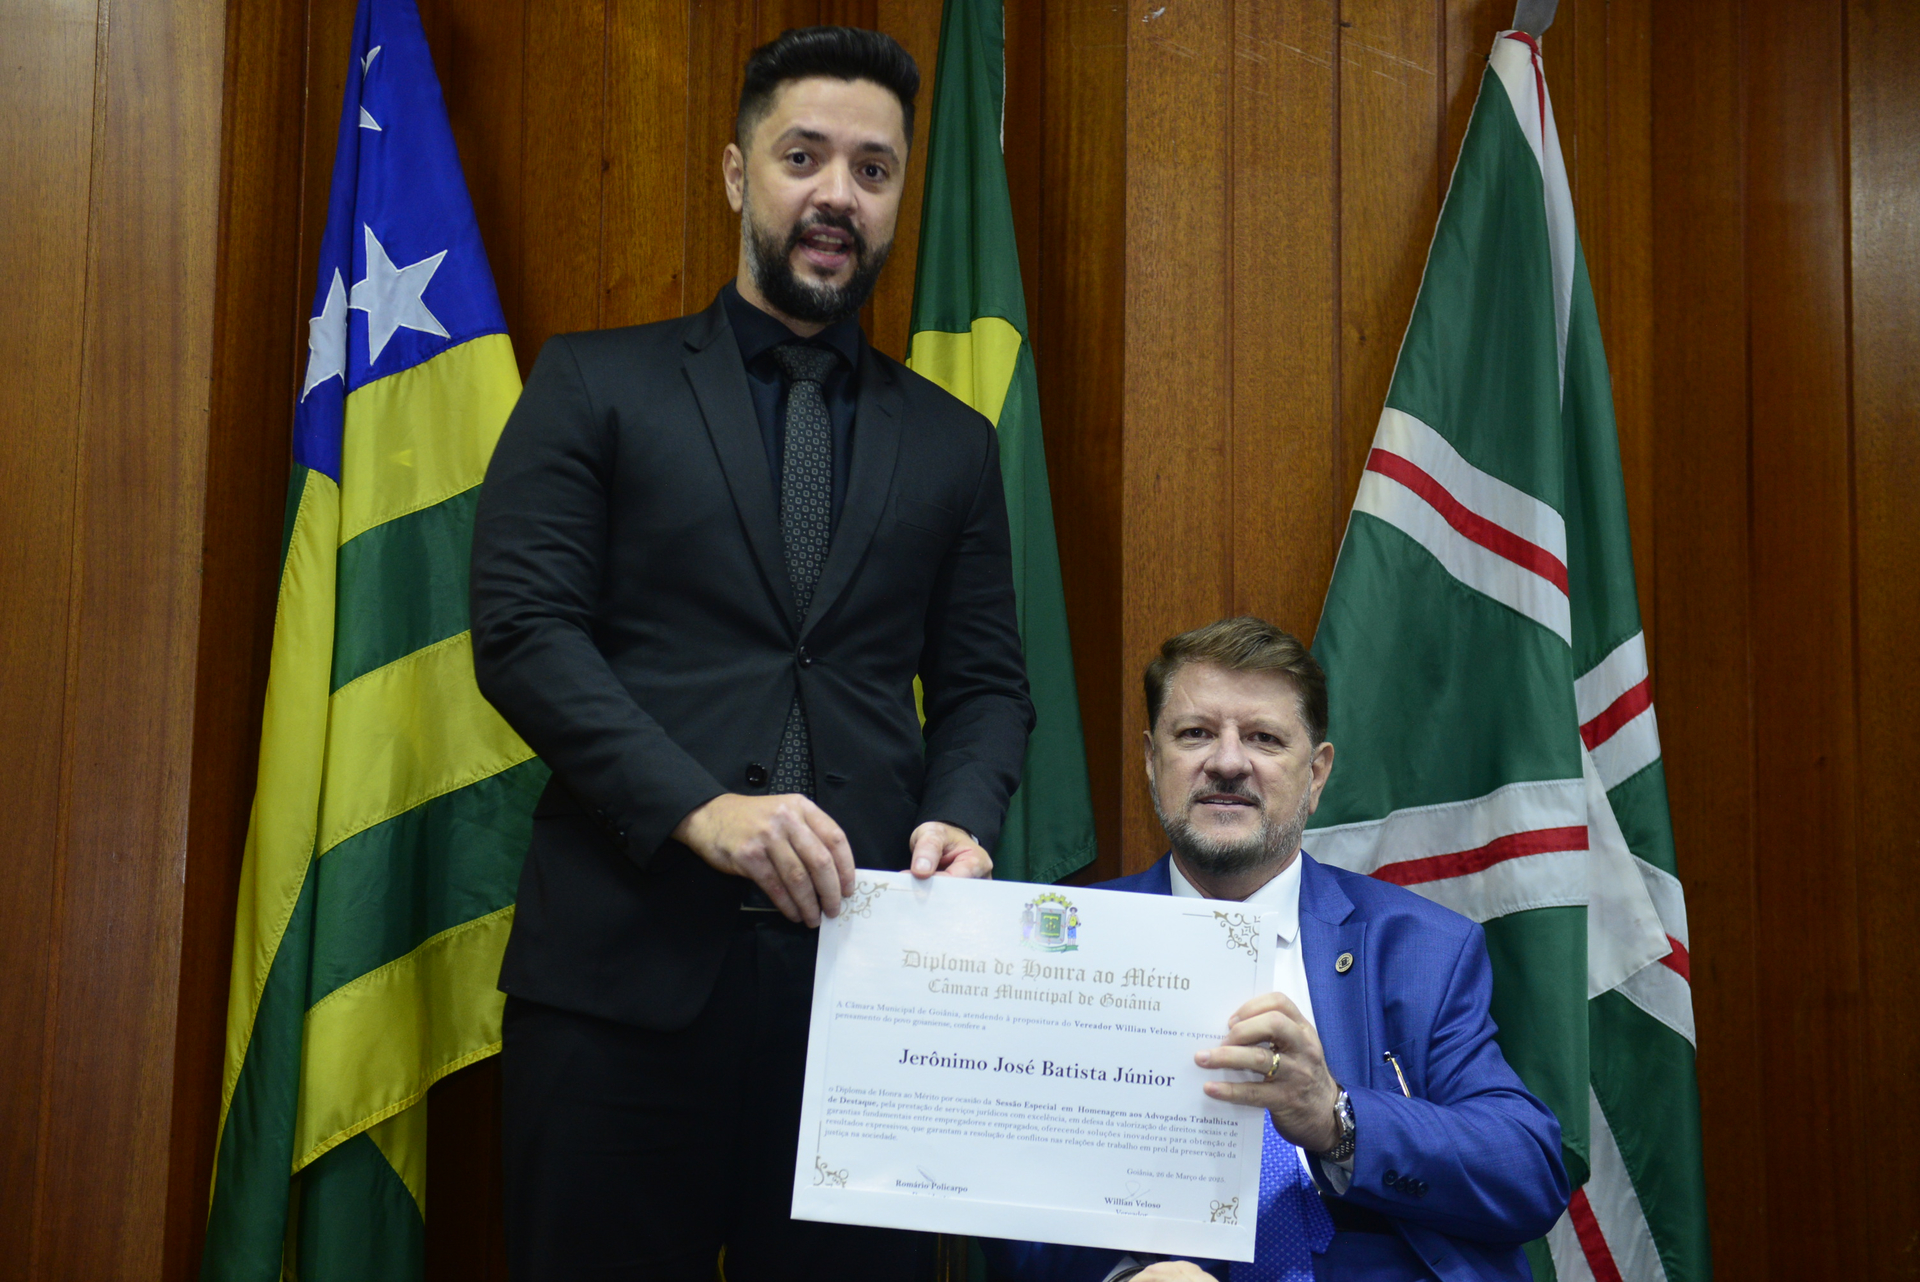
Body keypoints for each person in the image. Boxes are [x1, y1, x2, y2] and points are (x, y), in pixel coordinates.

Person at [469, 26, 1033, 1282]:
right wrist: (701, 809)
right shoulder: (593, 385)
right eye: (803, 157)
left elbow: (989, 685)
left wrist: (960, 818)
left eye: (874, 170)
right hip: (619, 988)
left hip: (868, 999)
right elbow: (522, 634)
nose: (839, 194)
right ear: (738, 175)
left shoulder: (954, 442)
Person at [987, 618, 1567, 1282]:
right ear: (1151, 761)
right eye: (1195, 733)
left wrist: (1337, 1119)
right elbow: (1007, 1199)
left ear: (1316, 774)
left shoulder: (1421, 947)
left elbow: (1528, 1170)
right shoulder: (1072, 945)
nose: (1228, 762)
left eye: (1264, 738)